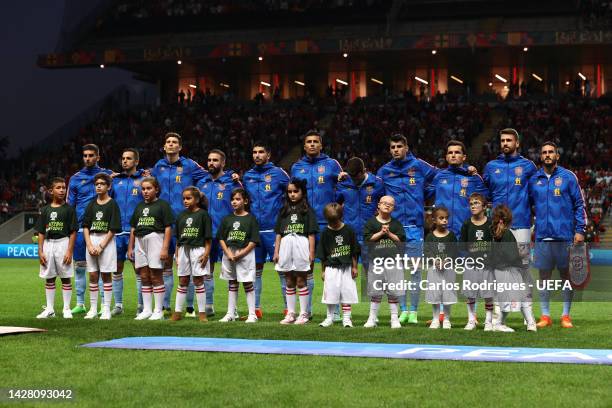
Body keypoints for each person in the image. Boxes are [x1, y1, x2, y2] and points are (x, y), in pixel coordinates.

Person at [376, 134, 437, 325]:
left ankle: (414, 311)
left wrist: (425, 194)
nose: (395, 149)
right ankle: (402, 310)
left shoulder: (418, 165)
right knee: (396, 272)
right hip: (391, 227)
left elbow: (440, 176)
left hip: (414, 227)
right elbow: (373, 188)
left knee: (415, 271)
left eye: (399, 146)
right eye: (392, 147)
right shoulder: (384, 171)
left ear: (406, 147)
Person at [529, 141, 586, 329]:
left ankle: (565, 315)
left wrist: (580, 230)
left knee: (566, 277)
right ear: (540, 156)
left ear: (557, 156)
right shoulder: (534, 179)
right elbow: (527, 205)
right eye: (544, 152)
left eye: (550, 152)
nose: (547, 155)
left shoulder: (568, 177)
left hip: (564, 236)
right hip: (543, 237)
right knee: (543, 277)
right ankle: (545, 316)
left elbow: (579, 205)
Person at [483, 128, 537, 322]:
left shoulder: (528, 166)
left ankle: (527, 313)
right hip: (497, 227)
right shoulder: (491, 166)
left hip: (521, 224)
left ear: (517, 143)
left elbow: (535, 194)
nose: (505, 143)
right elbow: (484, 193)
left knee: (523, 269)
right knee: (497, 271)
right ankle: (499, 316)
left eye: (509, 140)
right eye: (502, 140)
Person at [151, 132, 208, 315]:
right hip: (161, 222)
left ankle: (190, 307)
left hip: (185, 221)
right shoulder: (158, 166)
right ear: (164, 146)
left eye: (174, 142)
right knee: (166, 264)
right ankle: (166, 305)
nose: (171, 144)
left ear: (180, 147)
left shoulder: (189, 165)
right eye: (168, 142)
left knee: (190, 267)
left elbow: (208, 175)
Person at [291, 130, 343, 318]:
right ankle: (307, 311)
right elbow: (293, 194)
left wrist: (335, 213)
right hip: (304, 224)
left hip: (328, 224)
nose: (312, 144)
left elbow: (343, 189)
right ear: (304, 146)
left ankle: (335, 311)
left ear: (321, 145)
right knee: (307, 267)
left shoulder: (332, 164)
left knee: (332, 267)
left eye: (315, 142)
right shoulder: (296, 167)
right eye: (309, 142)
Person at [243, 141, 290, 317]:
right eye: (254, 152)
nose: (257, 155)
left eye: (261, 152)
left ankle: (288, 308)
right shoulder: (247, 176)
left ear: (268, 155)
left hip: (275, 230)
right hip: (254, 230)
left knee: (282, 270)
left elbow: (294, 193)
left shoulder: (278, 174)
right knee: (255, 270)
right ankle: (254, 309)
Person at [68, 144, 112, 315]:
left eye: (91, 155)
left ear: (98, 157)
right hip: (80, 229)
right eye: (85, 155)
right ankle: (80, 303)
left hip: (101, 229)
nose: (87, 158)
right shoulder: (75, 178)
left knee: (101, 269)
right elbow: (70, 205)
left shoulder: (107, 176)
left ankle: (102, 305)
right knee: (80, 266)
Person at [197, 149, 242, 317]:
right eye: (209, 160)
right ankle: (208, 305)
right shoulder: (202, 183)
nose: (211, 163)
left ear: (223, 163)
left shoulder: (231, 182)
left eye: (215, 160)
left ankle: (233, 309)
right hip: (206, 233)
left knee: (232, 271)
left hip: (227, 233)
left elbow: (242, 201)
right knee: (206, 269)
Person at [128, 177, 174, 320]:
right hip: (139, 240)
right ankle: (147, 310)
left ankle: (158, 310)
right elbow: (133, 228)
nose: (146, 191)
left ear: (156, 189)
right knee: (143, 275)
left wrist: (165, 248)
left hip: (155, 238)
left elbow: (168, 227)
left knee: (155, 275)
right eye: (143, 189)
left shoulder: (162, 205)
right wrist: (131, 247)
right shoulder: (139, 206)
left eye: (149, 188)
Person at [274, 179, 318, 325]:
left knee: (301, 280)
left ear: (302, 192)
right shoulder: (283, 210)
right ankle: (291, 313)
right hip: (286, 244)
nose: (292, 194)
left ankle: (304, 314)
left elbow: (311, 233)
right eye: (289, 192)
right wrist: (276, 251)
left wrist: (311, 253)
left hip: (301, 243)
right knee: (288, 280)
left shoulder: (307, 210)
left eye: (295, 191)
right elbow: (279, 233)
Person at [34, 177, 77, 319]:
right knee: (49, 277)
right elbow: (40, 231)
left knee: (65, 277)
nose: (62, 190)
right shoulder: (45, 210)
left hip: (63, 243)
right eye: (58, 188)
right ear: (51, 191)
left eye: (64, 187)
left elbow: (73, 232)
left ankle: (66, 309)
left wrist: (69, 251)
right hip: (48, 244)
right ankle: (50, 309)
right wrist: (40, 251)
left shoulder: (69, 210)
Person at [490, 205, 537, 332]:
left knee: (508, 298)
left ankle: (530, 323)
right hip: (509, 271)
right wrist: (524, 258)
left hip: (499, 271)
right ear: (509, 220)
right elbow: (511, 256)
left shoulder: (494, 234)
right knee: (520, 296)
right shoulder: (508, 234)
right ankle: (500, 323)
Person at [217, 188, 260, 323]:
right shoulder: (227, 218)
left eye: (238, 199)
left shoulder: (251, 219)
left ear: (245, 201)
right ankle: (230, 313)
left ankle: (252, 314)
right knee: (232, 283)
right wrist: (228, 253)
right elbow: (221, 238)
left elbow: (253, 241)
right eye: (233, 199)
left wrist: (241, 254)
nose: (234, 202)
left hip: (245, 254)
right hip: (229, 253)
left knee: (247, 283)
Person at [363, 196, 406, 329]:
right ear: (379, 205)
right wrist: (381, 233)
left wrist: (390, 234)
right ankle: (372, 318)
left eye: (391, 204)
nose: (387, 206)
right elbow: (367, 241)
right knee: (376, 291)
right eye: (384, 203)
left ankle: (394, 319)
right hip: (376, 262)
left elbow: (401, 242)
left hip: (393, 262)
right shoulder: (370, 223)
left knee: (393, 292)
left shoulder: (397, 224)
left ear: (393, 208)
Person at [82, 173, 121, 320]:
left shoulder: (112, 204)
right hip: (92, 239)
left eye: (102, 184)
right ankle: (92, 308)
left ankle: (106, 309)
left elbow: (114, 228)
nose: (98, 186)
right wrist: (90, 244)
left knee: (106, 275)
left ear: (108, 186)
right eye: (96, 184)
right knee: (92, 275)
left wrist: (101, 246)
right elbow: (85, 226)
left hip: (107, 240)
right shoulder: (91, 204)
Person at [429, 140, 488, 236]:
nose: (453, 155)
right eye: (450, 153)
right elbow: (425, 193)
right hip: (442, 232)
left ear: (464, 157)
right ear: (446, 157)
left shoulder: (472, 177)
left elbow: (486, 197)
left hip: (465, 231)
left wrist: (475, 175)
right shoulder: (439, 177)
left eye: (457, 152)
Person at [171, 187, 212, 322]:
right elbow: (178, 239)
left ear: (197, 199)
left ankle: (202, 314)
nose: (185, 201)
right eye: (183, 198)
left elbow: (208, 238)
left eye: (188, 198)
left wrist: (206, 254)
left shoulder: (203, 215)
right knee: (182, 281)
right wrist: (176, 255)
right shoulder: (181, 215)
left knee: (198, 281)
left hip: (198, 250)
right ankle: (177, 313)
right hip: (183, 249)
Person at [111, 148, 144, 315]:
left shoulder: (144, 180)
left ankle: (141, 306)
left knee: (139, 269)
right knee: (116, 268)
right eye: (123, 158)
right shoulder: (115, 182)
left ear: (136, 161)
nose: (125, 161)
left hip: (136, 231)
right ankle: (118, 305)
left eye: (129, 158)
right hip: (117, 232)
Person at [317, 203, 360, 328]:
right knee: (330, 293)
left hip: (346, 267)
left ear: (341, 217)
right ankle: (329, 318)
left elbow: (354, 251)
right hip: (331, 268)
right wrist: (323, 271)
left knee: (346, 293)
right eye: (330, 222)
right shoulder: (325, 232)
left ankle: (347, 319)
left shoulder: (349, 230)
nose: (333, 224)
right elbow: (323, 255)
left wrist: (355, 267)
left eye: (335, 221)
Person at [459, 193, 495, 331]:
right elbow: (462, 244)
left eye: (476, 203)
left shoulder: (491, 223)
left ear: (485, 206)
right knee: (470, 294)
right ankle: (471, 320)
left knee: (488, 294)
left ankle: (488, 321)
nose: (473, 206)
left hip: (487, 265)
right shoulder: (467, 224)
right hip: (471, 264)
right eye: (471, 204)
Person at [424, 207, 457, 329]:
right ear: (434, 220)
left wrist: (447, 260)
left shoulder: (451, 236)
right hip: (434, 270)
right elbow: (427, 251)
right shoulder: (430, 236)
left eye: (446, 218)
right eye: (441, 218)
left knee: (447, 294)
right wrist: (435, 261)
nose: (444, 220)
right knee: (435, 294)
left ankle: (447, 319)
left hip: (448, 270)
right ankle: (435, 319)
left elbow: (454, 252)